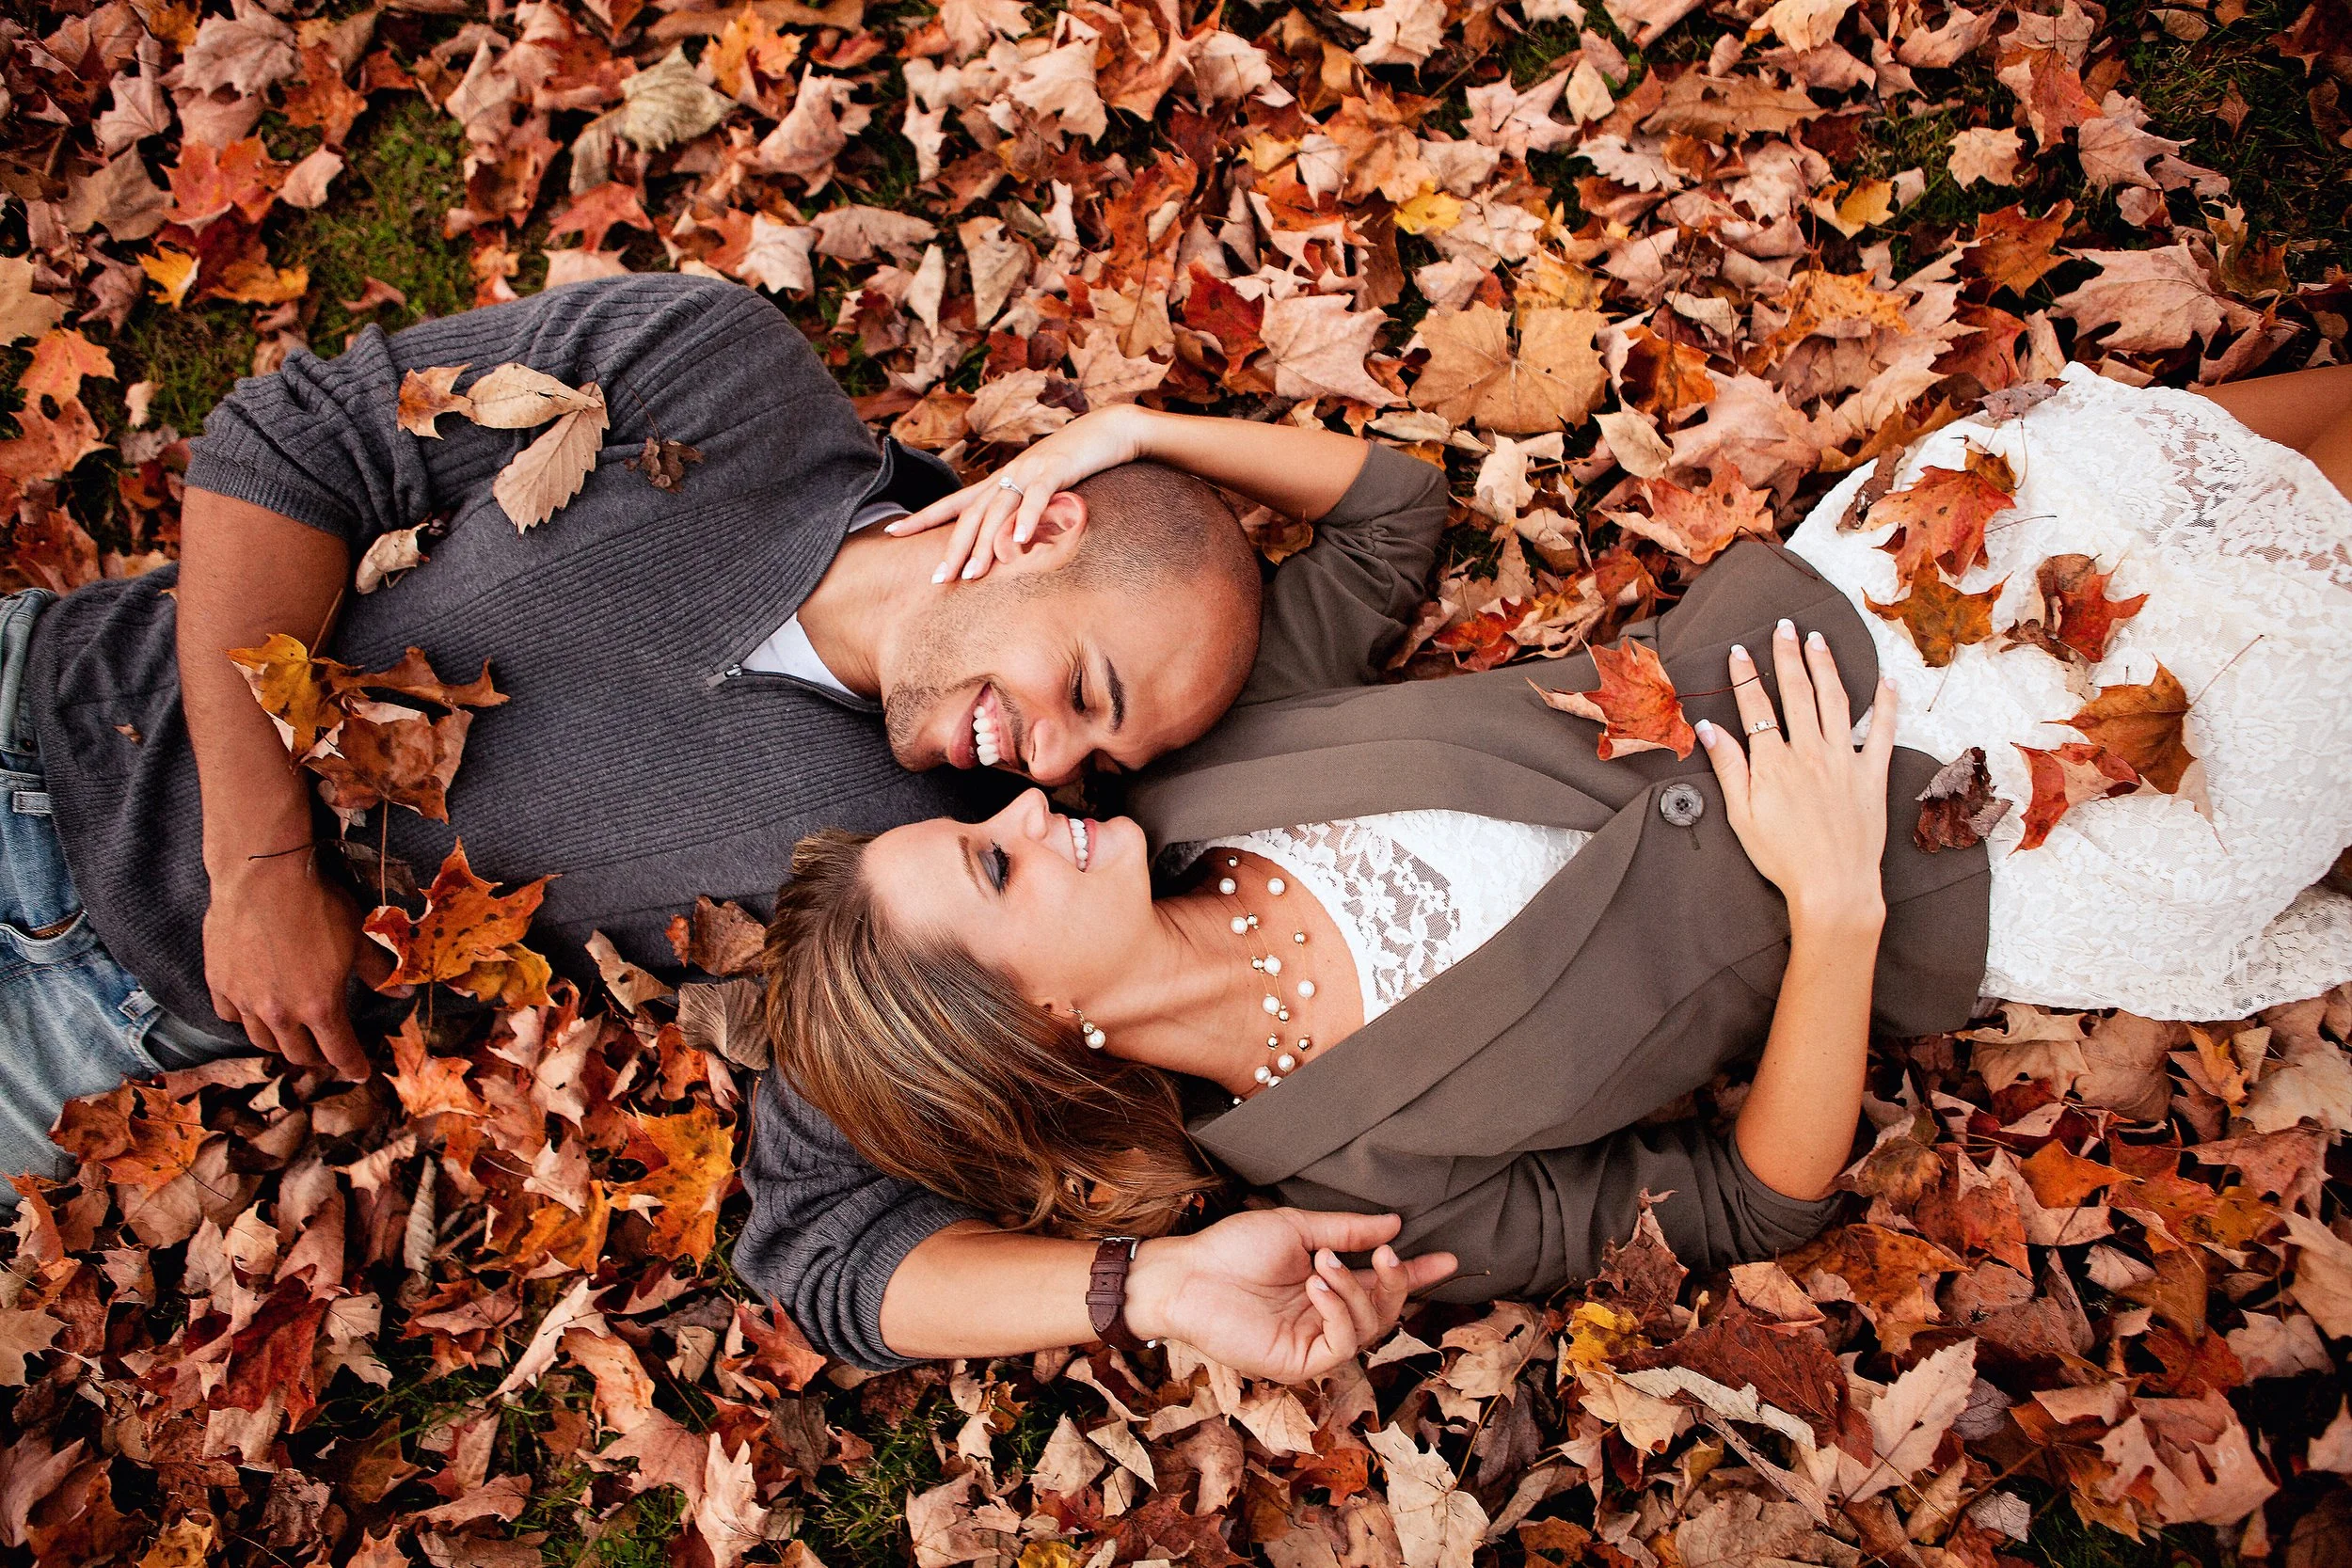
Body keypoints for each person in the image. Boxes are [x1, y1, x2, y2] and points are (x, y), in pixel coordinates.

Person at [0, 273, 1476, 1371]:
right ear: (1035, 522)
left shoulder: (911, 877)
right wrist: (257, 861)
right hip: (51, 699)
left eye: (1104, 754)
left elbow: (830, 1250)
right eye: (1081, 686)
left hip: (103, 1014)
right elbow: (286, 440)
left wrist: (1141, 1289)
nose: (1054, 765)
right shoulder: (728, 385)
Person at [750, 360, 2352, 1371]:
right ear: (1038, 1033)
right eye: (995, 864)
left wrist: (1127, 434)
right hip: (1987, 854)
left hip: (1872, 585)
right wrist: (1836, 915)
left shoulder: (1197, 771)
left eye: (990, 815)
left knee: (2271, 453)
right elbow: (1749, 1202)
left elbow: (1392, 516)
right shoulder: (1361, 1188)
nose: (1034, 808)